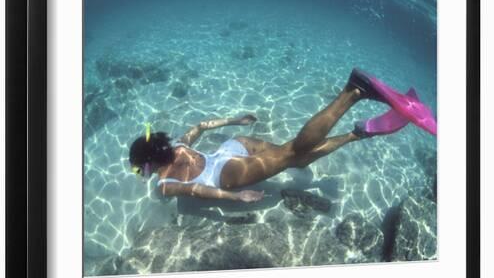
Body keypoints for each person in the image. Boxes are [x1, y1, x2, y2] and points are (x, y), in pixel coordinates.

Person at [128, 68, 436, 203]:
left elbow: (201, 192)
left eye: (140, 169)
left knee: (292, 153)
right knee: (297, 160)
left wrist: (236, 196)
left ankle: (353, 92)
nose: (143, 173)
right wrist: (237, 120)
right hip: (232, 148)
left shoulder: (166, 185)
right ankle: (357, 134)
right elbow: (203, 125)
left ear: (149, 164)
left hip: (225, 173)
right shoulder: (181, 142)